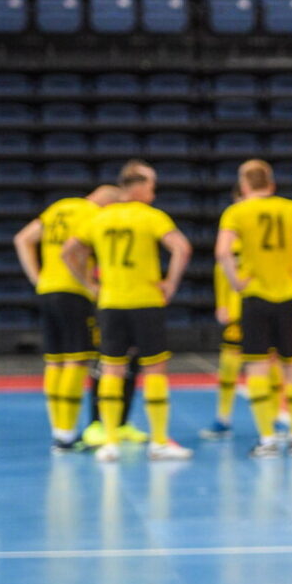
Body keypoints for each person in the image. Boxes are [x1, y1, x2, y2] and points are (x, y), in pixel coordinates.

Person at [61, 161, 193, 462]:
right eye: (151, 188)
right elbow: (182, 248)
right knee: (155, 369)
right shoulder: (151, 216)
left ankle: (110, 442)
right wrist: (171, 283)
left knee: (112, 369)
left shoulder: (100, 218)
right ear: (139, 187)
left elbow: (68, 252)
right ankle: (159, 442)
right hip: (146, 301)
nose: (153, 194)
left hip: (111, 302)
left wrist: (89, 284)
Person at [215, 160, 292, 458]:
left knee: (256, 367)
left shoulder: (236, 212)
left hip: (254, 297)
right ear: (271, 183)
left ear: (244, 185)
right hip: (287, 297)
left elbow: (222, 251)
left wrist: (236, 280)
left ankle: (267, 438)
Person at [13, 184, 123, 451]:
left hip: (47, 290)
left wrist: (37, 278)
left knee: (55, 361)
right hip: (73, 293)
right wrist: (88, 284)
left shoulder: (58, 208)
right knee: (76, 359)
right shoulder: (93, 214)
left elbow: (22, 239)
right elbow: (74, 252)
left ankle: (60, 431)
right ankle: (67, 435)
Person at [201, 187, 287, 440]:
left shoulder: (271, 232)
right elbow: (221, 270)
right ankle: (223, 418)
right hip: (239, 311)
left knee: (271, 364)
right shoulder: (232, 237)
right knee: (229, 365)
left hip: (268, 304)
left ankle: (275, 418)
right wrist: (222, 304)